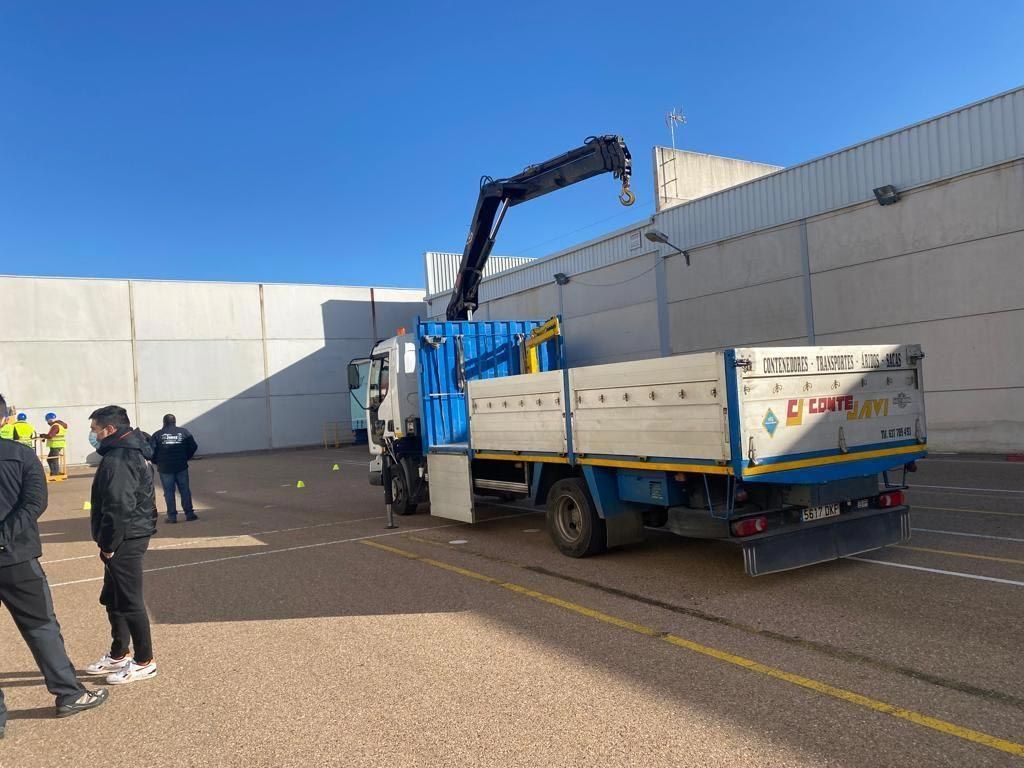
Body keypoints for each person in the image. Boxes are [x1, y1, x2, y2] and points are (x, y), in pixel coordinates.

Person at [0, 393, 108, 738]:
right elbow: (33, 503)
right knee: (41, 626)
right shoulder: (21, 455)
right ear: (6, 420)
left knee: (41, 626)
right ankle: (68, 693)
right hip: (16, 557)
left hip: (14, 553)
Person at [84, 405, 158, 685]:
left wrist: (109, 544)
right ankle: (119, 653)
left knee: (129, 600)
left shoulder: (121, 457)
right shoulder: (122, 453)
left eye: (94, 430)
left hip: (127, 537)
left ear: (110, 430)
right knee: (113, 598)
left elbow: (118, 505)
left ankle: (144, 661)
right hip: (124, 536)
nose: (93, 435)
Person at [150, 414, 198, 524]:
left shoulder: (158, 434)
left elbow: (151, 452)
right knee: (184, 490)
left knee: (168, 492)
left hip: (165, 468)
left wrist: (157, 462)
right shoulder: (184, 432)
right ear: (175, 421)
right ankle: (189, 514)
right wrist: (186, 457)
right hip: (181, 466)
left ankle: (172, 517)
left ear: (164, 422)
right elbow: (193, 446)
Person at [41, 412, 68, 478]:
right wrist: (45, 437)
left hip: (55, 445)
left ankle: (55, 473)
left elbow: (50, 436)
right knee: (51, 459)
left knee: (53, 459)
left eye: (47, 421)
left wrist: (43, 435)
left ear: (50, 420)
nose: (48, 423)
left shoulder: (55, 426)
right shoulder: (60, 425)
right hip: (59, 444)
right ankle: (55, 472)